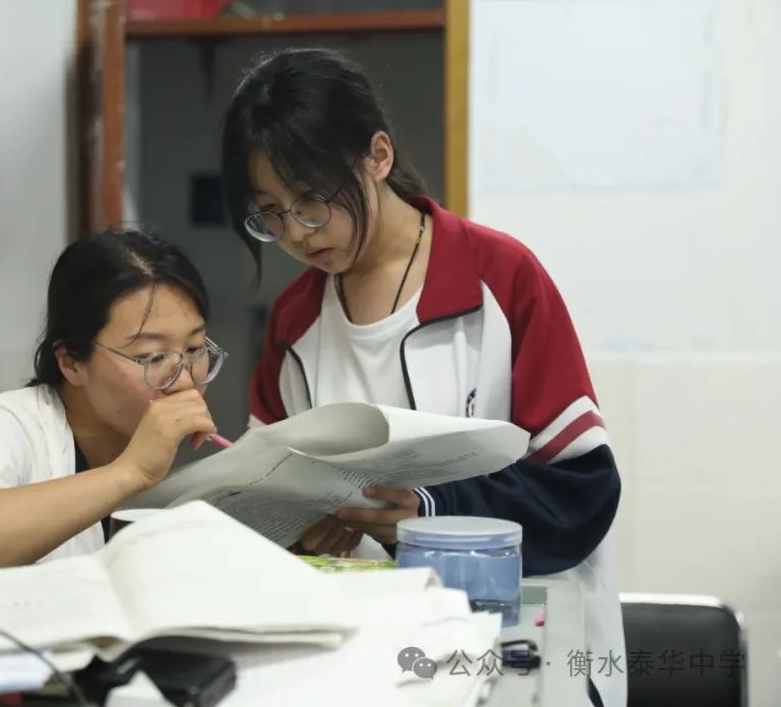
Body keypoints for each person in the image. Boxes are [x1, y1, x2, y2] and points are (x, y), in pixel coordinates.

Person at [221, 47, 624, 707]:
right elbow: (267, 493)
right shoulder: (295, 323)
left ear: (378, 157)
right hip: (377, 663)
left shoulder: (498, 277)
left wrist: (429, 511)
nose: (296, 232)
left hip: (528, 653)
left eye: (313, 201)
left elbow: (583, 493)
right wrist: (299, 528)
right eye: (270, 213)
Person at [0, 228, 227, 572]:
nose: (184, 381)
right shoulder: (2, 423)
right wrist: (130, 472)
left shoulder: (168, 463)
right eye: (152, 356)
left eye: (194, 349)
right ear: (70, 361)